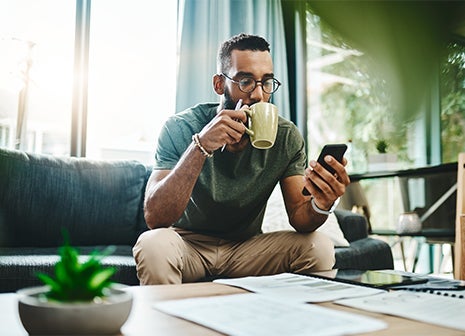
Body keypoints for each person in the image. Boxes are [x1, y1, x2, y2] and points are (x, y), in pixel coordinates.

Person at [133, 33, 350, 285]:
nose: (258, 95)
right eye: (245, 81)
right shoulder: (179, 128)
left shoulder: (286, 137)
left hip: (247, 250)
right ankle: (170, 324)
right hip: (187, 245)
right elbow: (155, 218)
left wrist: (322, 203)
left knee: (318, 246)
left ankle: (295, 323)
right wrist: (200, 147)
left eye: (266, 82)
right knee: (152, 245)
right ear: (218, 84)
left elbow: (301, 219)